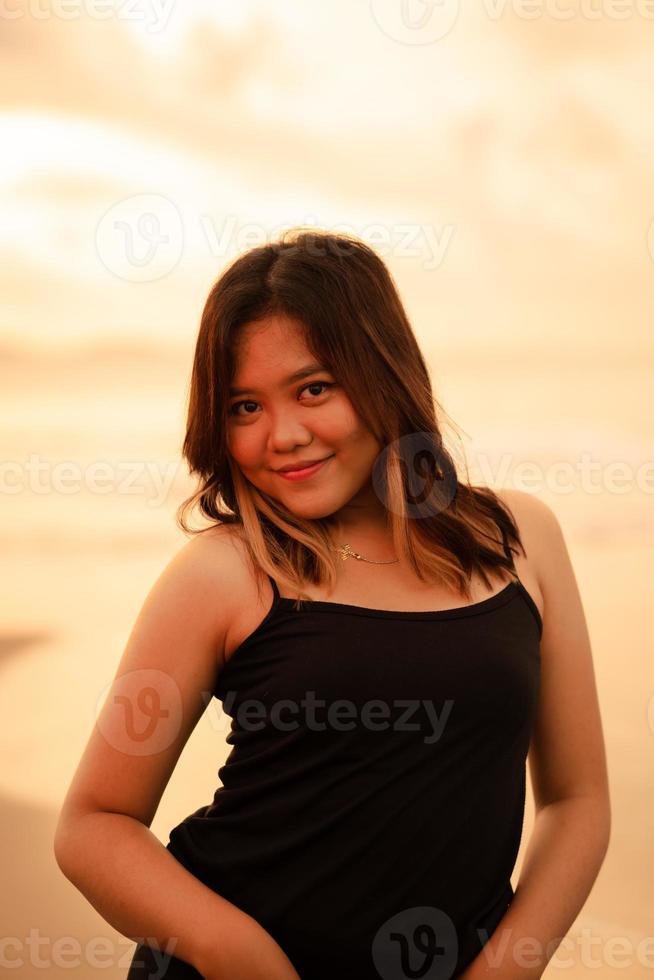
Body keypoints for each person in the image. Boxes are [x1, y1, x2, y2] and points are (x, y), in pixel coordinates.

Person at [53, 229, 611, 980]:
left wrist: (506, 969)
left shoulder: (518, 539)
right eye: (244, 406)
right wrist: (245, 959)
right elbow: (93, 826)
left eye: (314, 389)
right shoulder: (225, 571)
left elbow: (576, 801)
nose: (282, 436)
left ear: (384, 375)